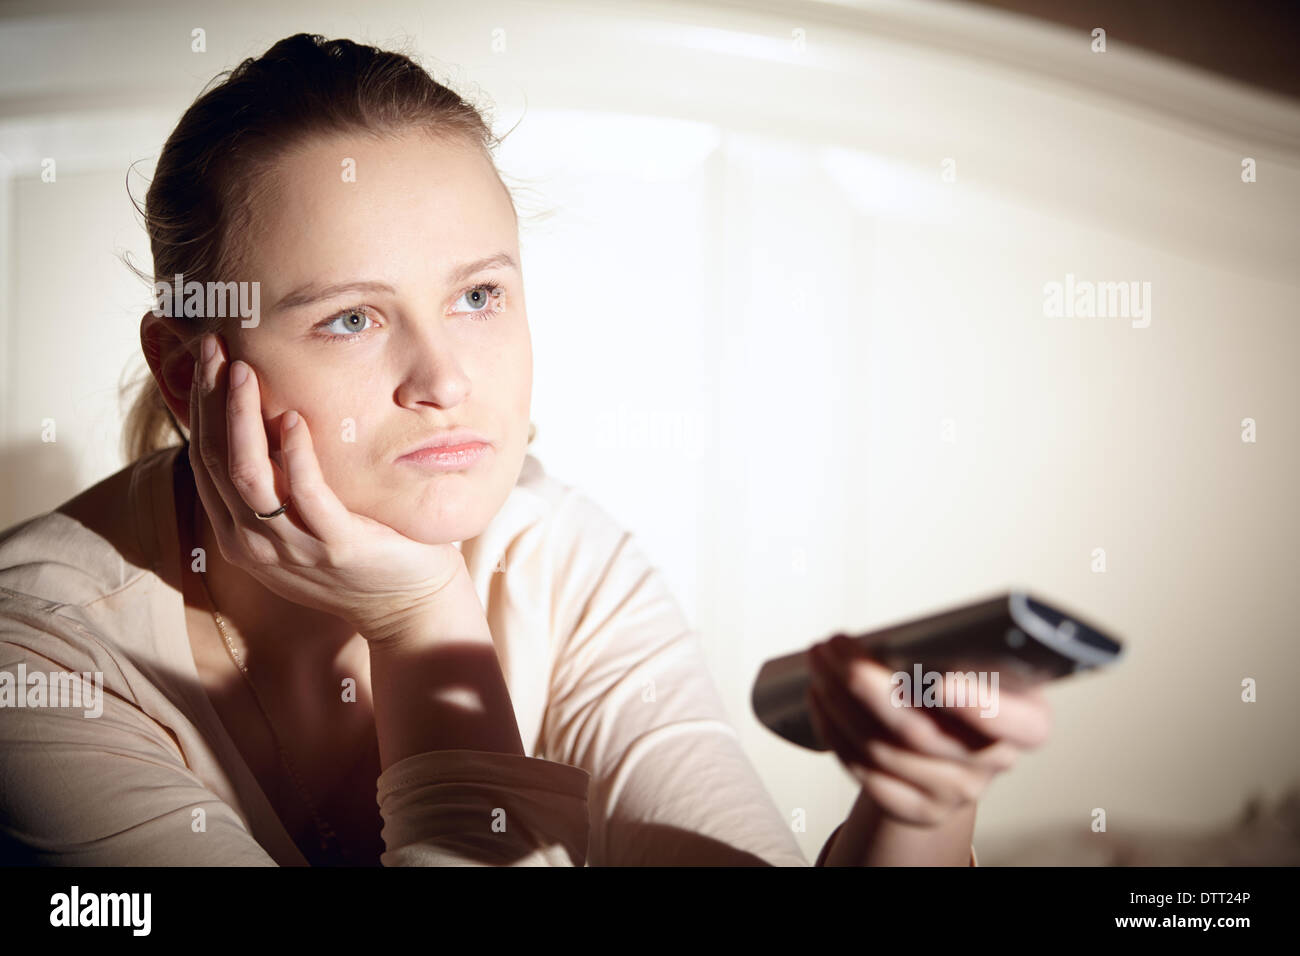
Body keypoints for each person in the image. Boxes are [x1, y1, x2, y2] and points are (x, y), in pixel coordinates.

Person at [0, 33, 1049, 866]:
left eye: (477, 295)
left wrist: (921, 814)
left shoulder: (559, 561)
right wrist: (420, 620)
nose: (446, 378)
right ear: (190, 374)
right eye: (351, 320)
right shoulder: (37, 661)